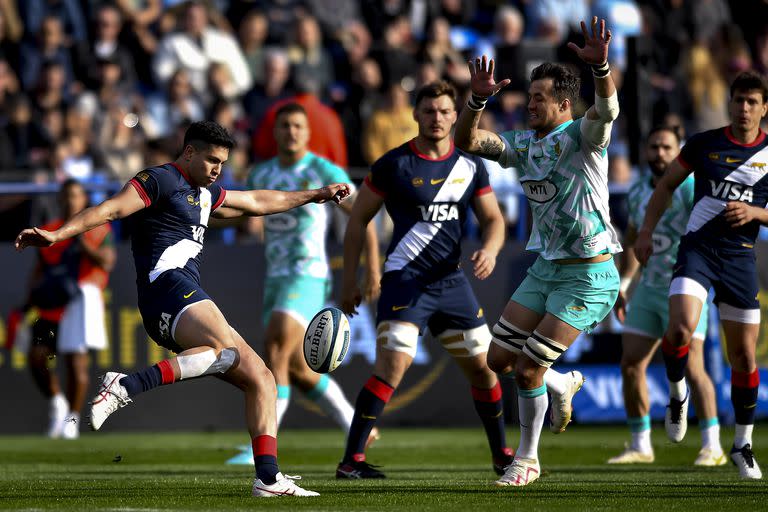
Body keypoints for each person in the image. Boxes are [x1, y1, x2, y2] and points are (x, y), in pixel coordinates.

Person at [15, 121, 351, 497]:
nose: (217, 169)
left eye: (222, 163)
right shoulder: (159, 180)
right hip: (167, 289)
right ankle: (126, 385)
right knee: (226, 352)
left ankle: (268, 479)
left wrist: (316, 194)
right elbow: (110, 209)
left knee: (263, 379)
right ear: (188, 152)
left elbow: (257, 202)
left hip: (183, 296)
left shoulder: (207, 194)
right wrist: (58, 234)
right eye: (211, 160)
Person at [455, 17, 621, 487]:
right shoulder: (525, 144)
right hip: (546, 269)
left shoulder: (585, 139)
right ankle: (560, 382)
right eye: (528, 97)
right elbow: (467, 140)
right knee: (498, 361)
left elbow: (606, 110)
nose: (529, 104)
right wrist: (477, 99)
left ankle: (526, 460)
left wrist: (602, 67)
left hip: (589, 275)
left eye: (538, 98)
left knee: (528, 366)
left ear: (564, 103)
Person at [338, 80, 513, 479]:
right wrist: (353, 279)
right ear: (415, 114)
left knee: (486, 369)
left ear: (456, 116)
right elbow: (358, 221)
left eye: (444, 111)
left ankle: (502, 455)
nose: (437, 118)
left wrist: (490, 249)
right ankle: (352, 462)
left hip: (452, 283)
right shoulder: (393, 164)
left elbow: (494, 220)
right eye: (429, 111)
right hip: (405, 281)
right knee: (391, 369)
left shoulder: (471, 165)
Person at [635, 71, 768, 480]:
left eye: (752, 101)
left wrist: (757, 213)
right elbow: (665, 187)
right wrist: (645, 231)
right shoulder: (704, 144)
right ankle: (678, 394)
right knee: (680, 330)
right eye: (738, 100)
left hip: (741, 258)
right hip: (698, 251)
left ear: (764, 109)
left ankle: (742, 446)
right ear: (729, 103)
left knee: (743, 357)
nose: (743, 108)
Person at [246, 102, 381, 443]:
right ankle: (357, 426)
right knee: (295, 368)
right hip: (274, 277)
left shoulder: (323, 171)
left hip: (307, 274)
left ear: (307, 133)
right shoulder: (260, 175)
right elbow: (239, 215)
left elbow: (362, 215)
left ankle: (263, 443)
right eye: (285, 126)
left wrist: (373, 268)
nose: (291, 131)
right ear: (275, 132)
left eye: (297, 126)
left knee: (276, 343)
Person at [608, 126, 724, 466]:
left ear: (678, 151)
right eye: (654, 146)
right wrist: (625, 283)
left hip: (685, 289)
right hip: (648, 290)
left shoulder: (690, 186)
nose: (660, 152)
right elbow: (631, 239)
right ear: (645, 151)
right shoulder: (637, 190)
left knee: (695, 368)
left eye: (666, 147)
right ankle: (641, 444)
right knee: (631, 365)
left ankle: (712, 445)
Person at [24, 178, 115, 439]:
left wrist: (82, 242)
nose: (70, 200)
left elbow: (107, 262)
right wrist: (28, 301)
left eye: (75, 195)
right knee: (36, 357)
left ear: (83, 199)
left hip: (81, 299)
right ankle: (58, 403)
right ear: (60, 199)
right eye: (66, 196)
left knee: (76, 364)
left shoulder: (98, 230)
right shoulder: (50, 230)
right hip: (52, 306)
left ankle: (72, 420)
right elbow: (39, 270)